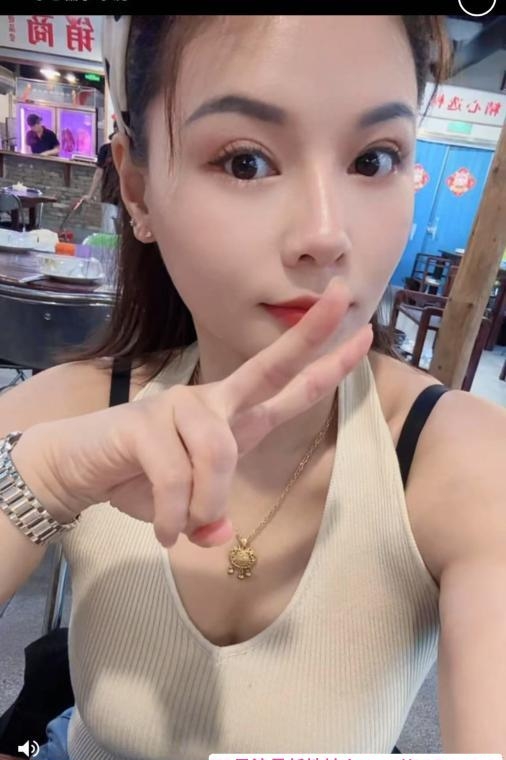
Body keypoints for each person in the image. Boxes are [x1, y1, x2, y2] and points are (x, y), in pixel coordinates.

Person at [0, 14, 504, 760]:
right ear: (138, 188)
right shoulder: (69, 411)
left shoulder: (462, 459)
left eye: (373, 159)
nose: (327, 234)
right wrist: (41, 478)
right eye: (245, 162)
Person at [81, 123, 120, 233]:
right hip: (109, 195)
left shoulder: (131, 150)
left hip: (127, 198)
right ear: (115, 129)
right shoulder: (105, 149)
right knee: (109, 230)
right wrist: (90, 194)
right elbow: (99, 172)